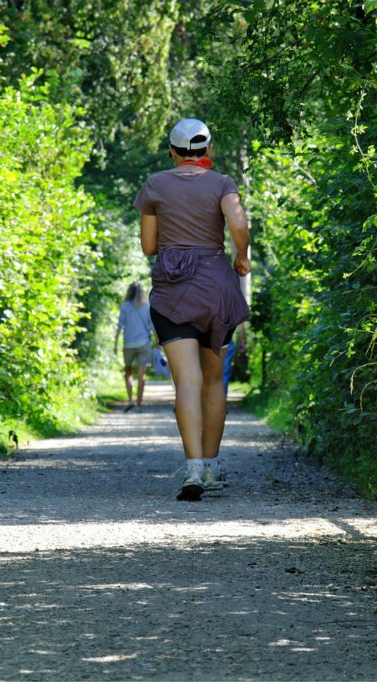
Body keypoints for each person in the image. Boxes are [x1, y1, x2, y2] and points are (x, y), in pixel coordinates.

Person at [134, 118, 251, 501]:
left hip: (173, 289)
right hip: (216, 289)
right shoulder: (222, 184)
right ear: (208, 151)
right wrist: (242, 256)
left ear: (172, 150)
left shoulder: (155, 185)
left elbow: (149, 247)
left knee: (187, 382)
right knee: (214, 380)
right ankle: (214, 467)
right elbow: (237, 221)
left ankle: (193, 469)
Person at [114, 282, 154, 412]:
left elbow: (120, 325)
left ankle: (131, 399)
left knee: (128, 372)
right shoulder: (147, 306)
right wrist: (158, 341)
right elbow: (152, 326)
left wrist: (115, 344)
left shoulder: (125, 306)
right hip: (144, 343)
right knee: (142, 375)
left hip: (128, 344)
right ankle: (139, 403)